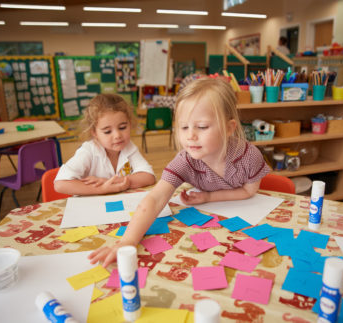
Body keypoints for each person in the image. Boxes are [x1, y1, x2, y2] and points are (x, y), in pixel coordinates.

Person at [89, 78, 270, 267]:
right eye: (184, 127)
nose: (190, 135)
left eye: (202, 127)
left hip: (247, 227)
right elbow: (155, 199)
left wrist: (209, 197)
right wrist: (127, 242)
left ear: (229, 128)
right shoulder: (184, 160)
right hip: (208, 235)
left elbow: (249, 192)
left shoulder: (250, 156)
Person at [54, 93, 155, 196]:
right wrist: (103, 188)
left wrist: (115, 182)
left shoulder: (129, 147)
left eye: (122, 127)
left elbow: (149, 177)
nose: (117, 135)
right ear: (94, 132)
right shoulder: (88, 151)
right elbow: (60, 184)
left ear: (129, 123)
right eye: (107, 132)